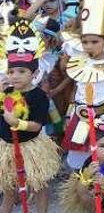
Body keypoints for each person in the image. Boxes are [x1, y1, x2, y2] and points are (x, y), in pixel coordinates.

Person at [0, 19, 62, 213]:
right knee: (9, 189)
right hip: (7, 146)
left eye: (21, 71)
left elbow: (36, 125)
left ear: (34, 73)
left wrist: (18, 123)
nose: (15, 76)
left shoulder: (38, 96)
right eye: (11, 72)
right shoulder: (7, 92)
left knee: (39, 185)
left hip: (31, 146)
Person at [61, 0, 104, 170]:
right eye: (85, 42)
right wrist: (69, 114)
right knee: (80, 164)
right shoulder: (78, 57)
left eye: (94, 42)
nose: (89, 46)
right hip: (81, 114)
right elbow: (77, 87)